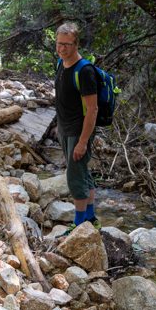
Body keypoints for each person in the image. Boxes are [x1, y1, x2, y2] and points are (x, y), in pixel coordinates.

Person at [54, 22, 100, 230]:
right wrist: (59, 126)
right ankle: (90, 219)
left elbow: (92, 109)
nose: (62, 49)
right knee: (82, 173)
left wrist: (82, 142)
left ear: (76, 44)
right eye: (59, 44)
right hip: (65, 128)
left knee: (74, 177)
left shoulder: (84, 71)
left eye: (67, 45)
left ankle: (79, 224)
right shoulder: (60, 64)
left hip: (79, 131)